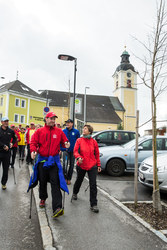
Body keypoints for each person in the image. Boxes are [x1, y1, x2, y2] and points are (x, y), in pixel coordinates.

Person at [30, 111, 70, 218]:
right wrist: (33, 151)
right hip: (42, 160)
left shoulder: (59, 131)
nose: (53, 120)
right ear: (46, 119)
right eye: (51, 118)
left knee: (55, 182)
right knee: (42, 181)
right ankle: (43, 198)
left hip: (54, 161)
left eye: (54, 119)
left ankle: (57, 207)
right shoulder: (39, 131)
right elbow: (33, 142)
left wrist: (66, 144)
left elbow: (64, 142)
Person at [72, 124, 101, 213]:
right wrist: (78, 157)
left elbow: (97, 154)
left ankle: (94, 204)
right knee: (79, 180)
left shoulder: (94, 142)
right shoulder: (79, 140)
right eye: (83, 129)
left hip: (92, 166)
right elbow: (75, 151)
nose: (83, 130)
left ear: (90, 132)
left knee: (93, 184)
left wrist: (98, 165)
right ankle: (75, 193)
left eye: (85, 129)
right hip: (81, 164)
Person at [60, 119, 80, 185]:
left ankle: (69, 179)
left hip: (73, 152)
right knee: (65, 165)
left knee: (71, 166)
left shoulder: (76, 132)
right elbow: (60, 141)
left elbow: (78, 142)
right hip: (65, 151)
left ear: (72, 124)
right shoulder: (63, 131)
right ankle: (64, 178)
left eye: (69, 123)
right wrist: (62, 149)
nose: (67, 124)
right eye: (66, 123)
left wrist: (77, 151)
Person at [0, 117, 16, 190]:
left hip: (7, 153)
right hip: (0, 151)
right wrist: (3, 146)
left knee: (5, 169)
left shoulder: (10, 131)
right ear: (1, 122)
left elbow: (15, 138)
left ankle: (4, 183)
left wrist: (12, 143)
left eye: (7, 121)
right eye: (5, 121)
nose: (6, 122)